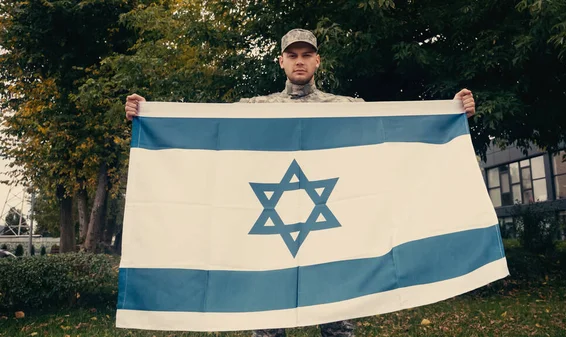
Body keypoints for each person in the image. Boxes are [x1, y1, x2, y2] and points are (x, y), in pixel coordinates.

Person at [124, 28, 476, 337]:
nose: (300, 61)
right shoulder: (254, 108)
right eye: (292, 55)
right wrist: (148, 115)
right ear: (281, 61)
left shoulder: (348, 108)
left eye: (307, 55)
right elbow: (213, 140)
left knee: (338, 326)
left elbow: (386, 145)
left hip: (332, 240)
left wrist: (453, 113)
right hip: (269, 243)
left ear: (318, 61)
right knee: (267, 323)